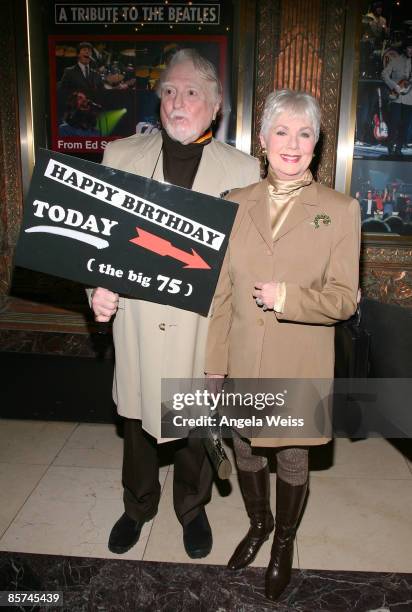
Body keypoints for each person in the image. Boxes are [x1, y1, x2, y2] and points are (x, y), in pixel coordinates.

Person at [90, 49, 260, 558]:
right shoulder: (120, 157)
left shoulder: (245, 170)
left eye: (190, 93)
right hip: (139, 322)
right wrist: (96, 291)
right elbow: (100, 247)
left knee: (196, 427)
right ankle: (138, 504)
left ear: (215, 106)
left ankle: (192, 506)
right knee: (140, 421)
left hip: (204, 328)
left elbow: (250, 261)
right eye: (169, 91)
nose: (177, 102)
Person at [205, 90, 360, 600]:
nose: (293, 143)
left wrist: (288, 297)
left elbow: (343, 301)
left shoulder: (340, 210)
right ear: (264, 140)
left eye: (306, 132)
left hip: (300, 361)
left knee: (293, 458)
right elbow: (222, 295)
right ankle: (258, 524)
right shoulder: (233, 204)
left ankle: (284, 544)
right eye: (282, 131)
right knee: (246, 449)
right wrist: (213, 366)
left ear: (317, 144)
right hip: (244, 360)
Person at [381, 38, 412, 156]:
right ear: (405, 48)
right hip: (396, 98)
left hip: (409, 99)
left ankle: (399, 149)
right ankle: (390, 147)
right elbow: (384, 74)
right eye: (409, 47)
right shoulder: (396, 60)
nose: (411, 50)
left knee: (405, 125)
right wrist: (394, 86)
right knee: (394, 123)